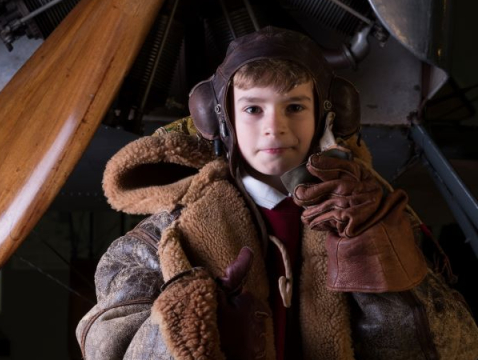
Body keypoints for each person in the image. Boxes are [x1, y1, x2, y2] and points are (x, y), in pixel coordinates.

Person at [76, 27, 478, 360]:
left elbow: (457, 346)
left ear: (326, 116)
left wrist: (377, 254)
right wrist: (193, 327)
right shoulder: (162, 237)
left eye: (295, 107)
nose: (275, 127)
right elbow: (105, 347)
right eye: (253, 109)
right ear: (224, 120)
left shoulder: (380, 217)